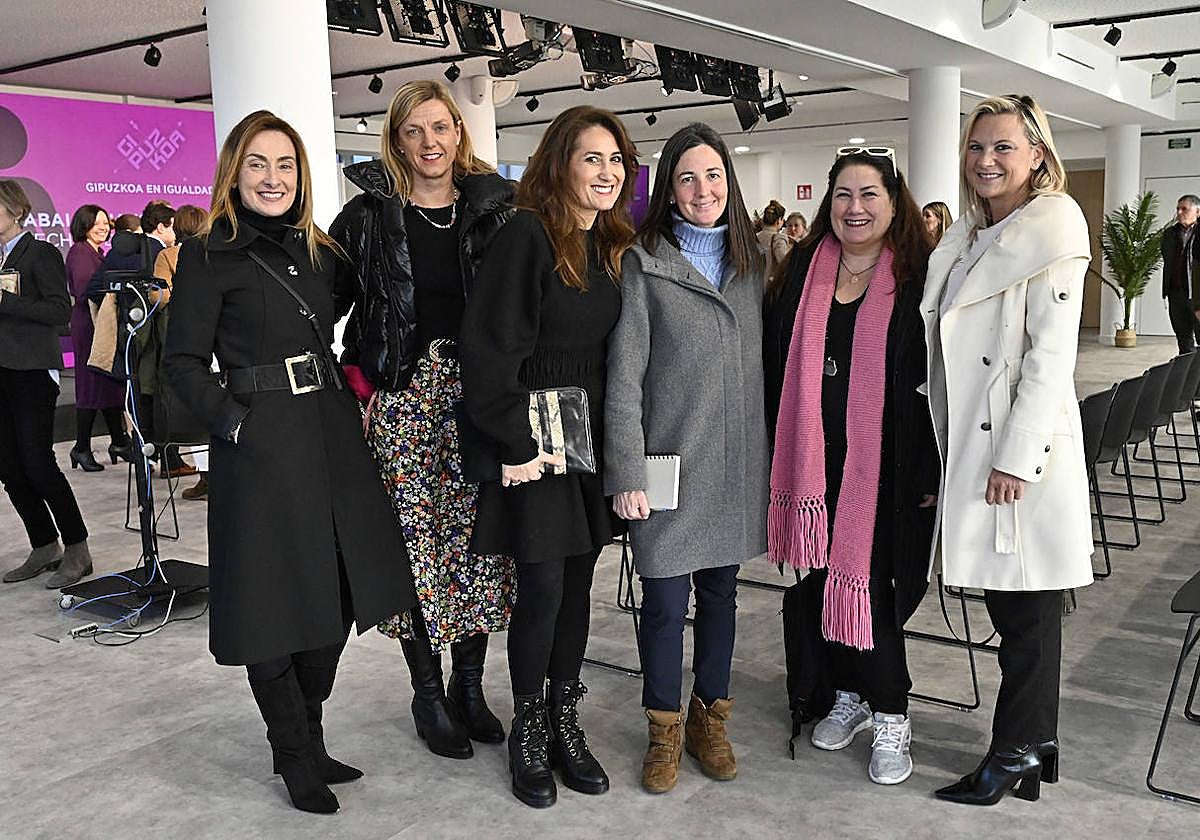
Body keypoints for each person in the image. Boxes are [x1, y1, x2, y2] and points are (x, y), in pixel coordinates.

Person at [163, 111, 417, 815]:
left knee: (337, 590)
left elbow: (366, 307)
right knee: (274, 604)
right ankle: (294, 751)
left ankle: (308, 731)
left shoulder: (318, 250)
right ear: (234, 174)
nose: (273, 179)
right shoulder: (209, 254)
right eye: (257, 165)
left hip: (330, 429)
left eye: (285, 165)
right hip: (260, 442)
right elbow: (182, 363)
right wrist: (235, 422)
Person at [329, 79, 516, 761]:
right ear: (396, 138)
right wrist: (358, 384)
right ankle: (428, 693)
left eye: (440, 127)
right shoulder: (370, 216)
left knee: (476, 549)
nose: (429, 143)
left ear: (458, 133)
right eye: (414, 130)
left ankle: (471, 686)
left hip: (479, 401)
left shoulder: (495, 207)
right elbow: (327, 303)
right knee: (414, 551)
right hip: (405, 403)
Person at [460, 105, 637, 809]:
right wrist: (515, 445)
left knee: (577, 592)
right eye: (591, 158)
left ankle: (566, 722)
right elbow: (489, 348)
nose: (606, 172)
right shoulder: (527, 235)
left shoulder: (607, 245)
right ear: (559, 163)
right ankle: (528, 729)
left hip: (589, 443)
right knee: (542, 593)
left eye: (616, 159)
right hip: (537, 444)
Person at [924, 94, 1095, 806]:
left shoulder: (1051, 227)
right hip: (976, 441)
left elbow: (1051, 358)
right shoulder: (971, 234)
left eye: (1002, 147)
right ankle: (1035, 742)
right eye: (976, 147)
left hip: (1017, 452)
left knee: (1025, 610)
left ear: (1037, 155)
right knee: (1017, 604)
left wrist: (1014, 458)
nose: (986, 160)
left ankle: (1016, 750)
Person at [763, 148, 938, 786]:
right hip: (814, 465)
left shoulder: (918, 280)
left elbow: (937, 387)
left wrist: (929, 472)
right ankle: (849, 693)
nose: (854, 208)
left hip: (888, 471)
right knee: (822, 583)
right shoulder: (803, 274)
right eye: (842, 195)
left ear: (895, 204)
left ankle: (892, 711)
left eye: (869, 195)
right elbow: (775, 366)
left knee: (873, 590)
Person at [605, 123, 768, 794]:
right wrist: (626, 471)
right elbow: (623, 375)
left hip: (733, 467)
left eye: (714, 176)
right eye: (688, 178)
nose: (704, 190)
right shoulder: (644, 264)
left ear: (729, 183)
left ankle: (711, 718)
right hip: (669, 466)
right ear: (669, 191)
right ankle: (664, 728)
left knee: (723, 598)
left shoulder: (754, 264)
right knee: (666, 604)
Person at [0, 179, 93, 588]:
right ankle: (43, 545)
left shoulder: (41, 253)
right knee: (8, 464)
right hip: (1, 372)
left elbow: (59, 310)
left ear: (14, 210)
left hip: (33, 371)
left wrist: (6, 302)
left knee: (38, 462)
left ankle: (77, 548)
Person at [65, 204, 132, 472]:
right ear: (84, 225)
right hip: (89, 325)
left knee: (107, 382)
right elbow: (85, 290)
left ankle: (118, 441)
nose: (104, 227)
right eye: (97, 223)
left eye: (106, 222)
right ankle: (81, 447)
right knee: (92, 383)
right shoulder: (81, 252)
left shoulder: (98, 253)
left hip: (101, 324)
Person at [151, 205, 208, 500]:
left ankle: (206, 477)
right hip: (218, 341)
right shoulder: (216, 253)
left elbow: (156, 298)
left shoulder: (168, 256)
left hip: (185, 340)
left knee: (195, 408)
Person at [1161, 194, 1200, 354]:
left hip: (1198, 295)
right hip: (1176, 294)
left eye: (1184, 209)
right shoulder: (1170, 233)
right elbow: (1166, 257)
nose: (1179, 212)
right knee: (1183, 340)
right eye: (1178, 209)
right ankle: (1188, 377)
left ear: (1197, 212)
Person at [757, 199, 791, 287]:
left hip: (753, 287)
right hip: (769, 287)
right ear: (779, 220)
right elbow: (783, 263)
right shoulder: (779, 239)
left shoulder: (754, 237)